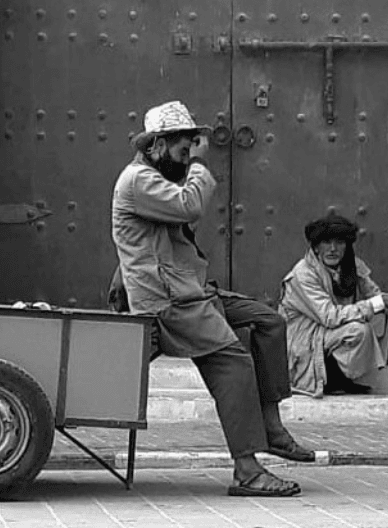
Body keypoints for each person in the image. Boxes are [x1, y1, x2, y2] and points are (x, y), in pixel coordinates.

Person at [111, 100, 314, 498]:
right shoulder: (138, 180)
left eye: (192, 149)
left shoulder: (157, 177)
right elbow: (189, 206)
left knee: (268, 322)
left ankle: (272, 429)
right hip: (168, 303)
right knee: (233, 362)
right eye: (183, 149)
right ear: (157, 145)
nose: (188, 156)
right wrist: (202, 166)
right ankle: (248, 471)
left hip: (191, 291)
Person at [279, 214, 388, 398]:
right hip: (308, 341)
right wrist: (380, 302)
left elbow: (375, 296)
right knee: (358, 330)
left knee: (384, 315)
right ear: (316, 247)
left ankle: (357, 378)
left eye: (339, 243)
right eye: (326, 242)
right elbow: (329, 316)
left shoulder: (352, 265)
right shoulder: (303, 274)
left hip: (332, 332)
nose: (333, 249)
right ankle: (332, 380)